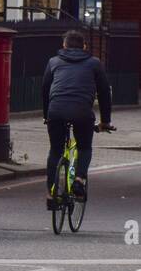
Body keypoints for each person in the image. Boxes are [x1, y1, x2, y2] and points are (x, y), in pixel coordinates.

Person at [42, 29, 113, 202]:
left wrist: (46, 115)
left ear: (64, 45)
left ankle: (51, 193)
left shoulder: (53, 62)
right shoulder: (95, 63)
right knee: (84, 147)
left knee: (56, 150)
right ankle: (80, 179)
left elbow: (45, 90)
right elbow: (104, 93)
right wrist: (105, 121)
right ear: (84, 46)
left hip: (56, 111)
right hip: (82, 112)